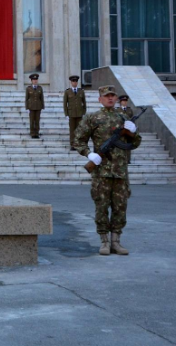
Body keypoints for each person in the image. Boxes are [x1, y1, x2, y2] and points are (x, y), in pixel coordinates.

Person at [72, 85, 141, 256]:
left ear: (116, 98)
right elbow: (78, 140)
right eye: (106, 96)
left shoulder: (124, 118)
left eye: (112, 96)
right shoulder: (93, 118)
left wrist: (132, 133)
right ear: (100, 99)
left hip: (120, 172)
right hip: (101, 172)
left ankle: (116, 241)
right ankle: (104, 241)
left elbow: (135, 143)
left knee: (120, 207)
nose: (110, 98)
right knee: (101, 207)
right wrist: (90, 154)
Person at [63, 75, 87, 150]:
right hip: (71, 114)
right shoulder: (67, 92)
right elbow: (65, 104)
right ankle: (73, 144)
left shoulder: (81, 91)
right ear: (71, 82)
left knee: (79, 130)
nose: (75, 83)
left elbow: (84, 103)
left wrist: (83, 112)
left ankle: (78, 144)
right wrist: (66, 114)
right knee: (72, 130)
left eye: (76, 81)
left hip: (79, 114)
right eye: (73, 81)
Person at [25, 74, 44, 139]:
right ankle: (32, 133)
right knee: (32, 120)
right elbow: (27, 98)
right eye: (34, 80)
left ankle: (37, 133)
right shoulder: (28, 88)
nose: (35, 81)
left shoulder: (40, 88)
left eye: (36, 80)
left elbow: (42, 98)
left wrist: (42, 106)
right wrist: (27, 107)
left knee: (37, 120)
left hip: (38, 106)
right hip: (31, 106)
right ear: (31, 81)